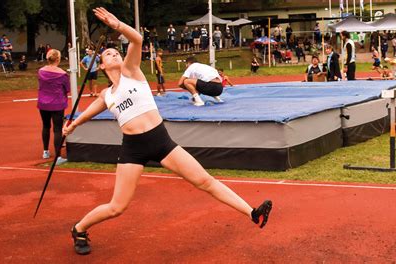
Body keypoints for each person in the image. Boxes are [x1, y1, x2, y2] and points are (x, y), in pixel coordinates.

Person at [63, 7, 273, 256]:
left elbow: (137, 39)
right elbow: (90, 112)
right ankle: (79, 228)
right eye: (108, 54)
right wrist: (73, 124)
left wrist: (118, 24)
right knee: (117, 207)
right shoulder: (106, 94)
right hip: (133, 148)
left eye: (115, 51)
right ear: (102, 65)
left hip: (160, 140)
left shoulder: (131, 72)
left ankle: (251, 212)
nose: (114, 54)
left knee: (205, 181)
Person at [37, 49, 70, 163]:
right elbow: (67, 89)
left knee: (46, 126)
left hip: (43, 103)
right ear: (58, 59)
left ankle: (45, 151)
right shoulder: (63, 74)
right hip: (57, 104)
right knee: (57, 129)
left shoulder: (41, 71)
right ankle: (58, 156)